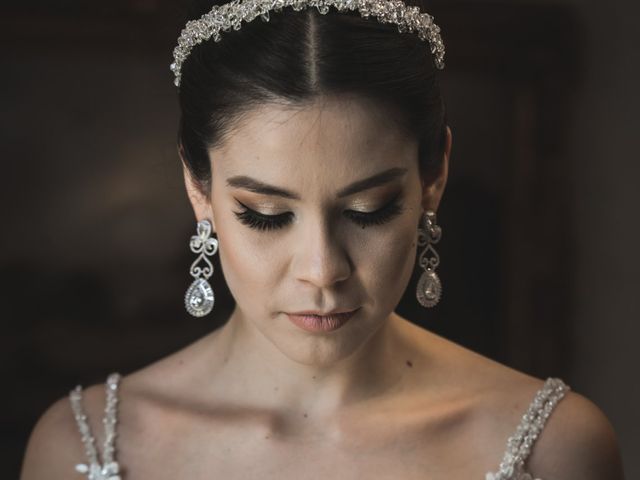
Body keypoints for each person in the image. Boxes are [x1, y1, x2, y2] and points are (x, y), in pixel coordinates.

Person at [20, 0, 625, 478]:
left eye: (370, 209)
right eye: (264, 214)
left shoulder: (556, 449)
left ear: (434, 176)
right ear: (198, 187)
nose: (322, 269)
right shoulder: (84, 446)